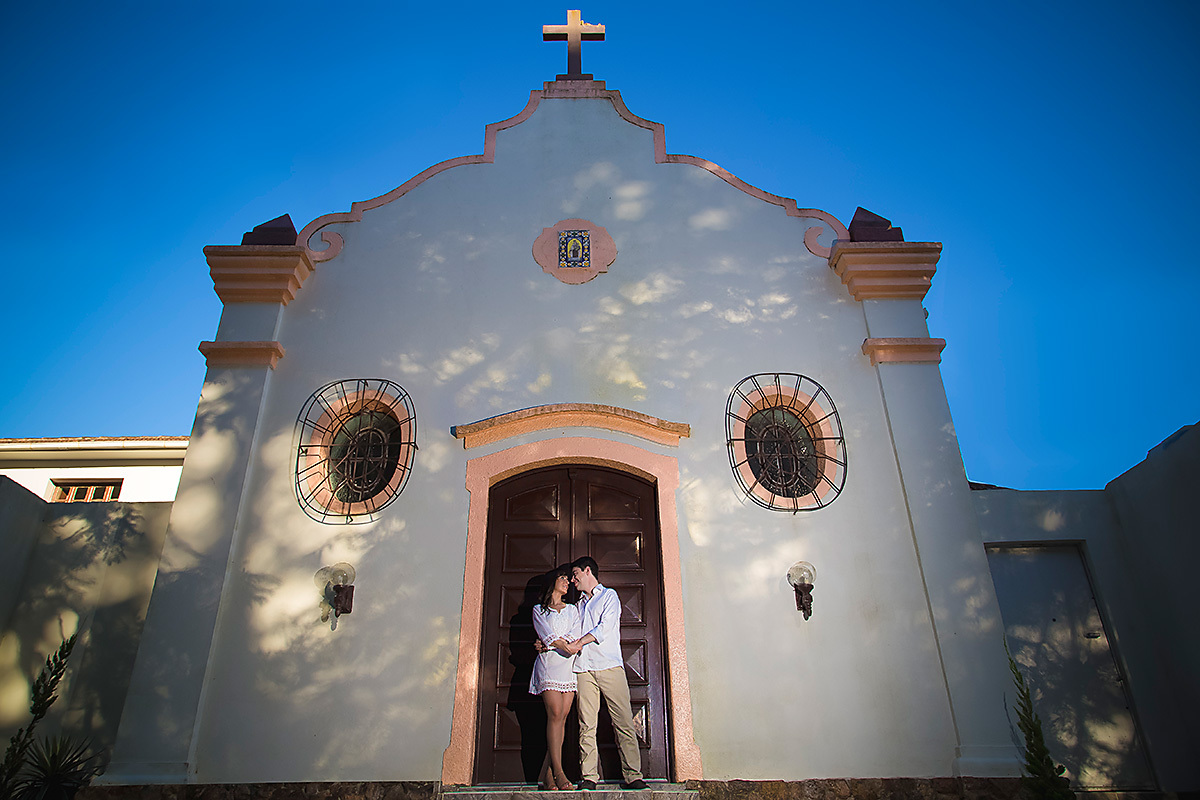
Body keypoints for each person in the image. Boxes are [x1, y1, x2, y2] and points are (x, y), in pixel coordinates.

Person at [561, 556, 647, 790]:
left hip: (609, 666)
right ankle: (588, 776)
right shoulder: (577, 605)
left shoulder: (609, 596)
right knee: (586, 724)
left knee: (623, 722)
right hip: (583, 669)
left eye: (576, 573)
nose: (572, 579)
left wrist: (580, 641)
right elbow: (569, 632)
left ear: (588, 571)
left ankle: (633, 776)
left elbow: (605, 627)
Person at [529, 565, 581, 791]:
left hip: (568, 666)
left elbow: (575, 632)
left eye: (568, 579)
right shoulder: (539, 610)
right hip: (549, 664)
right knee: (556, 713)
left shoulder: (572, 609)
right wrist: (561, 644)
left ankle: (548, 773)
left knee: (563, 717)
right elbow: (546, 635)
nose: (567, 582)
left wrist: (565, 644)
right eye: (563, 578)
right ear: (553, 581)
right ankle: (560, 773)